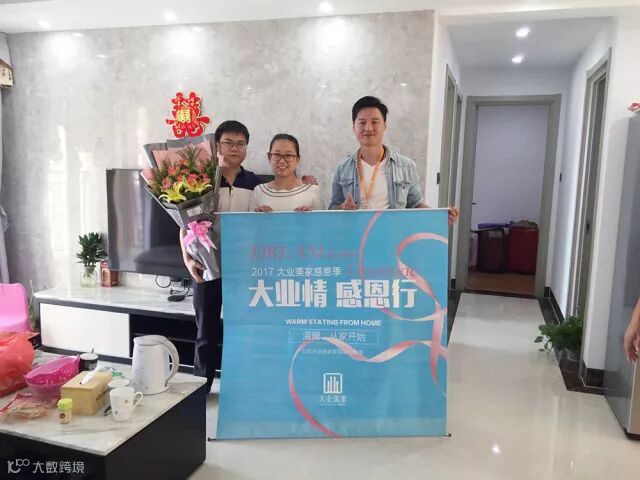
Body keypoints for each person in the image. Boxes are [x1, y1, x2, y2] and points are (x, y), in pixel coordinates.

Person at [180, 120, 262, 393]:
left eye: (240, 144)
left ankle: (240, 390)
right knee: (206, 333)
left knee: (242, 330)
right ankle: (200, 391)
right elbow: (184, 225)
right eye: (228, 142)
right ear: (217, 146)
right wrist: (187, 260)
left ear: (246, 148)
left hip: (243, 270)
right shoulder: (201, 181)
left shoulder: (255, 183)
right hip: (207, 268)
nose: (234, 148)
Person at [329, 96, 459, 224]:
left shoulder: (406, 166)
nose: (368, 128)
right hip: (357, 235)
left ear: (385, 125)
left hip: (393, 235)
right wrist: (342, 208)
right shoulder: (342, 168)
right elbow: (332, 209)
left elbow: (416, 204)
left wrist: (441, 216)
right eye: (362, 123)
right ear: (354, 127)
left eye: (375, 122)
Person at [252, 133, 323, 212]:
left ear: (298, 159)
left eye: (288, 155)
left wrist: (312, 215)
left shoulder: (312, 190)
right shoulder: (259, 191)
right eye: (277, 154)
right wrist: (259, 216)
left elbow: (323, 219)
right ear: (269, 157)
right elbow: (248, 219)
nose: (282, 161)